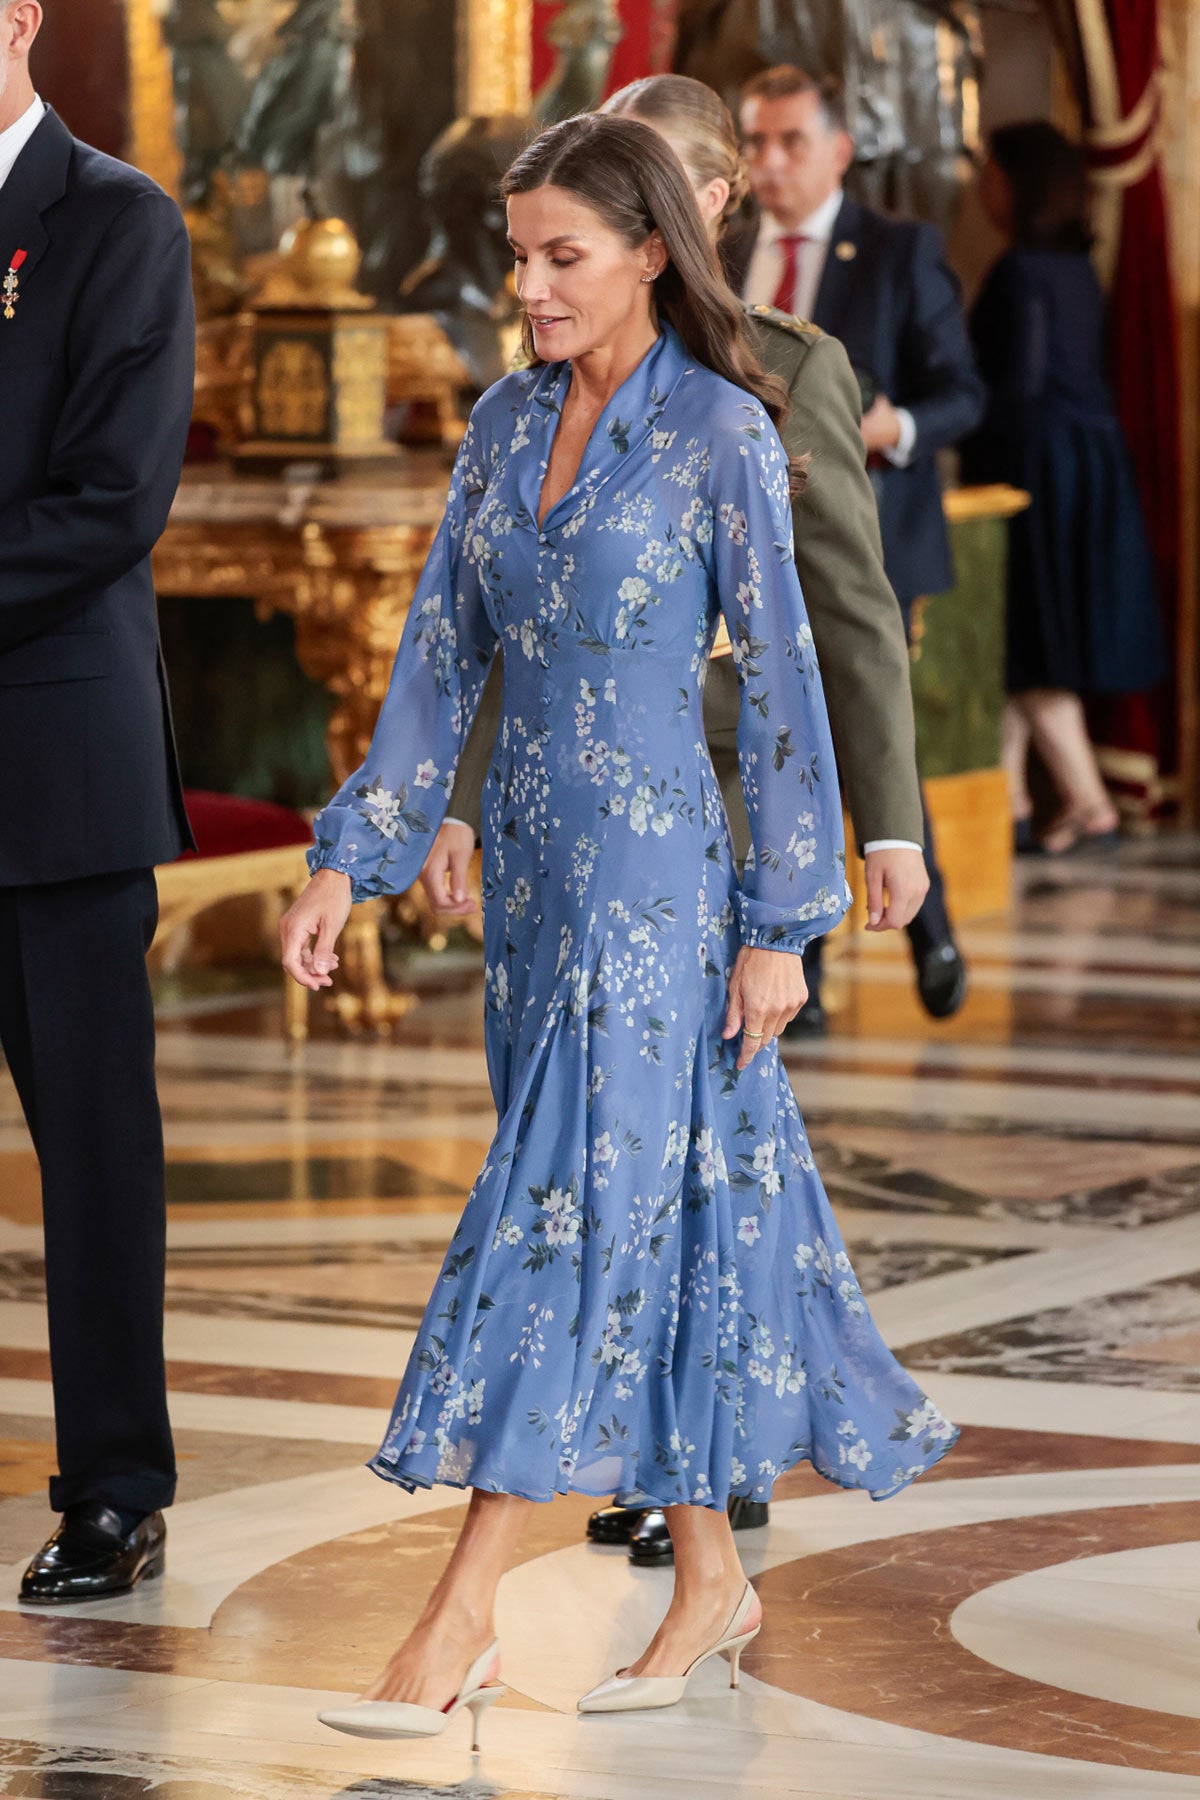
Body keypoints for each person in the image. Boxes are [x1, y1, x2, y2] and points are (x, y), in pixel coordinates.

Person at [282, 111, 956, 1746]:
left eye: (561, 256)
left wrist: (790, 917)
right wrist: (348, 856)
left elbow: (788, 674)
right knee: (663, 1225)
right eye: (517, 255)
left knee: (565, 1225)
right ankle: (711, 1578)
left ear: (652, 250)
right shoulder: (507, 425)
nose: (528, 284)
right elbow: (442, 648)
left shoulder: (725, 429)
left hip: (665, 890)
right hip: (532, 884)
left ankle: (454, 1623)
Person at [421, 71, 930, 1567]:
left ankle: (499, 1584)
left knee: (623, 1164)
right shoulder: (526, 400)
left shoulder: (781, 377)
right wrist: (449, 801)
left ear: (684, 216)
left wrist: (875, 834)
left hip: (715, 830)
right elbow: (501, 622)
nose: (533, 283)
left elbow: (841, 615)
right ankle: (702, 1521)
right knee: (696, 1164)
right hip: (552, 838)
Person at [0, 1, 196, 1600]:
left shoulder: (117, 221)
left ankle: (116, 1491)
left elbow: (111, 501)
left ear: (19, 18)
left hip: (54, 779)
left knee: (92, 1151)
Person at [728, 63, 986, 1020]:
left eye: (792, 141)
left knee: (855, 727)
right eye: (755, 142)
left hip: (869, 542)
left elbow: (963, 392)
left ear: (837, 149)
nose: (772, 161)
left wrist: (890, 429)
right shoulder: (726, 250)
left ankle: (925, 921)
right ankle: (809, 962)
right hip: (748, 550)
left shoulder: (897, 249)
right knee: (783, 733)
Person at [962, 121, 1167, 854]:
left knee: (1032, 642)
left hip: (1037, 474)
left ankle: (1085, 799)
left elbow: (1017, 389)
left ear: (1017, 182)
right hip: (1087, 471)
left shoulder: (1022, 271)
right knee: (1024, 645)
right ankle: (1012, 800)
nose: (979, 186)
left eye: (989, 170)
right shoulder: (1078, 268)